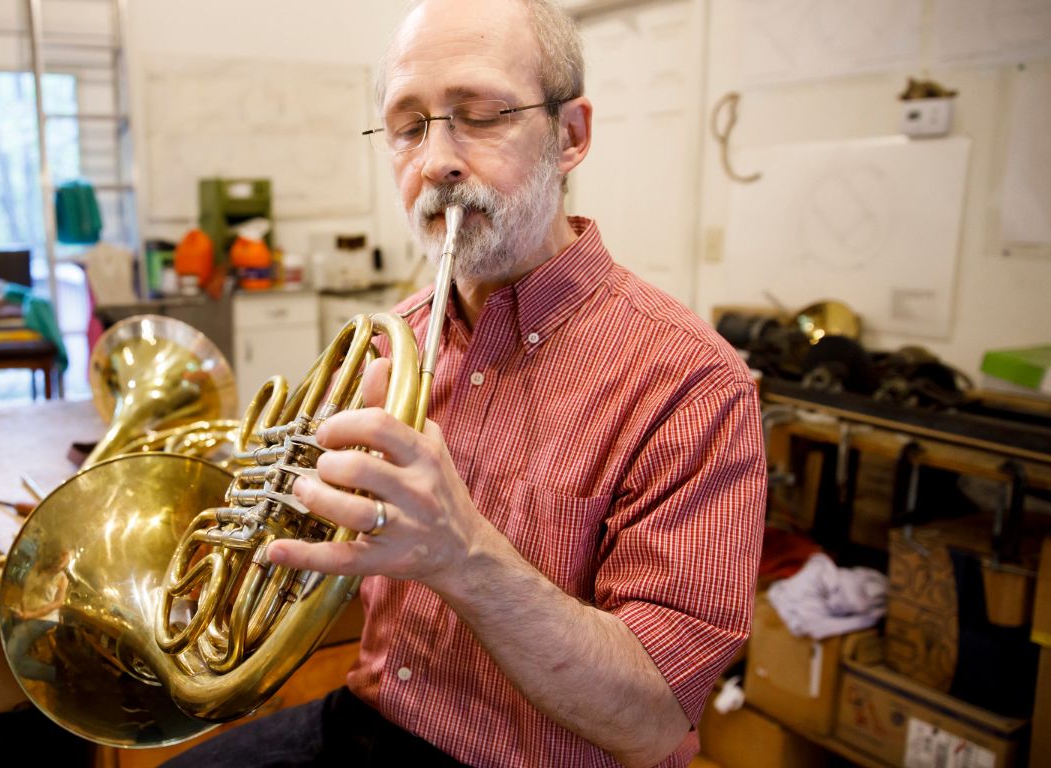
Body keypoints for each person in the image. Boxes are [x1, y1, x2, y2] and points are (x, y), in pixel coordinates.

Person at [168, 0, 765, 765]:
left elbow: (651, 721)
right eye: (409, 127)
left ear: (570, 135)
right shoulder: (396, 335)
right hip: (373, 722)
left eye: (479, 115)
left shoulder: (693, 385)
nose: (436, 162)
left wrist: (463, 555)